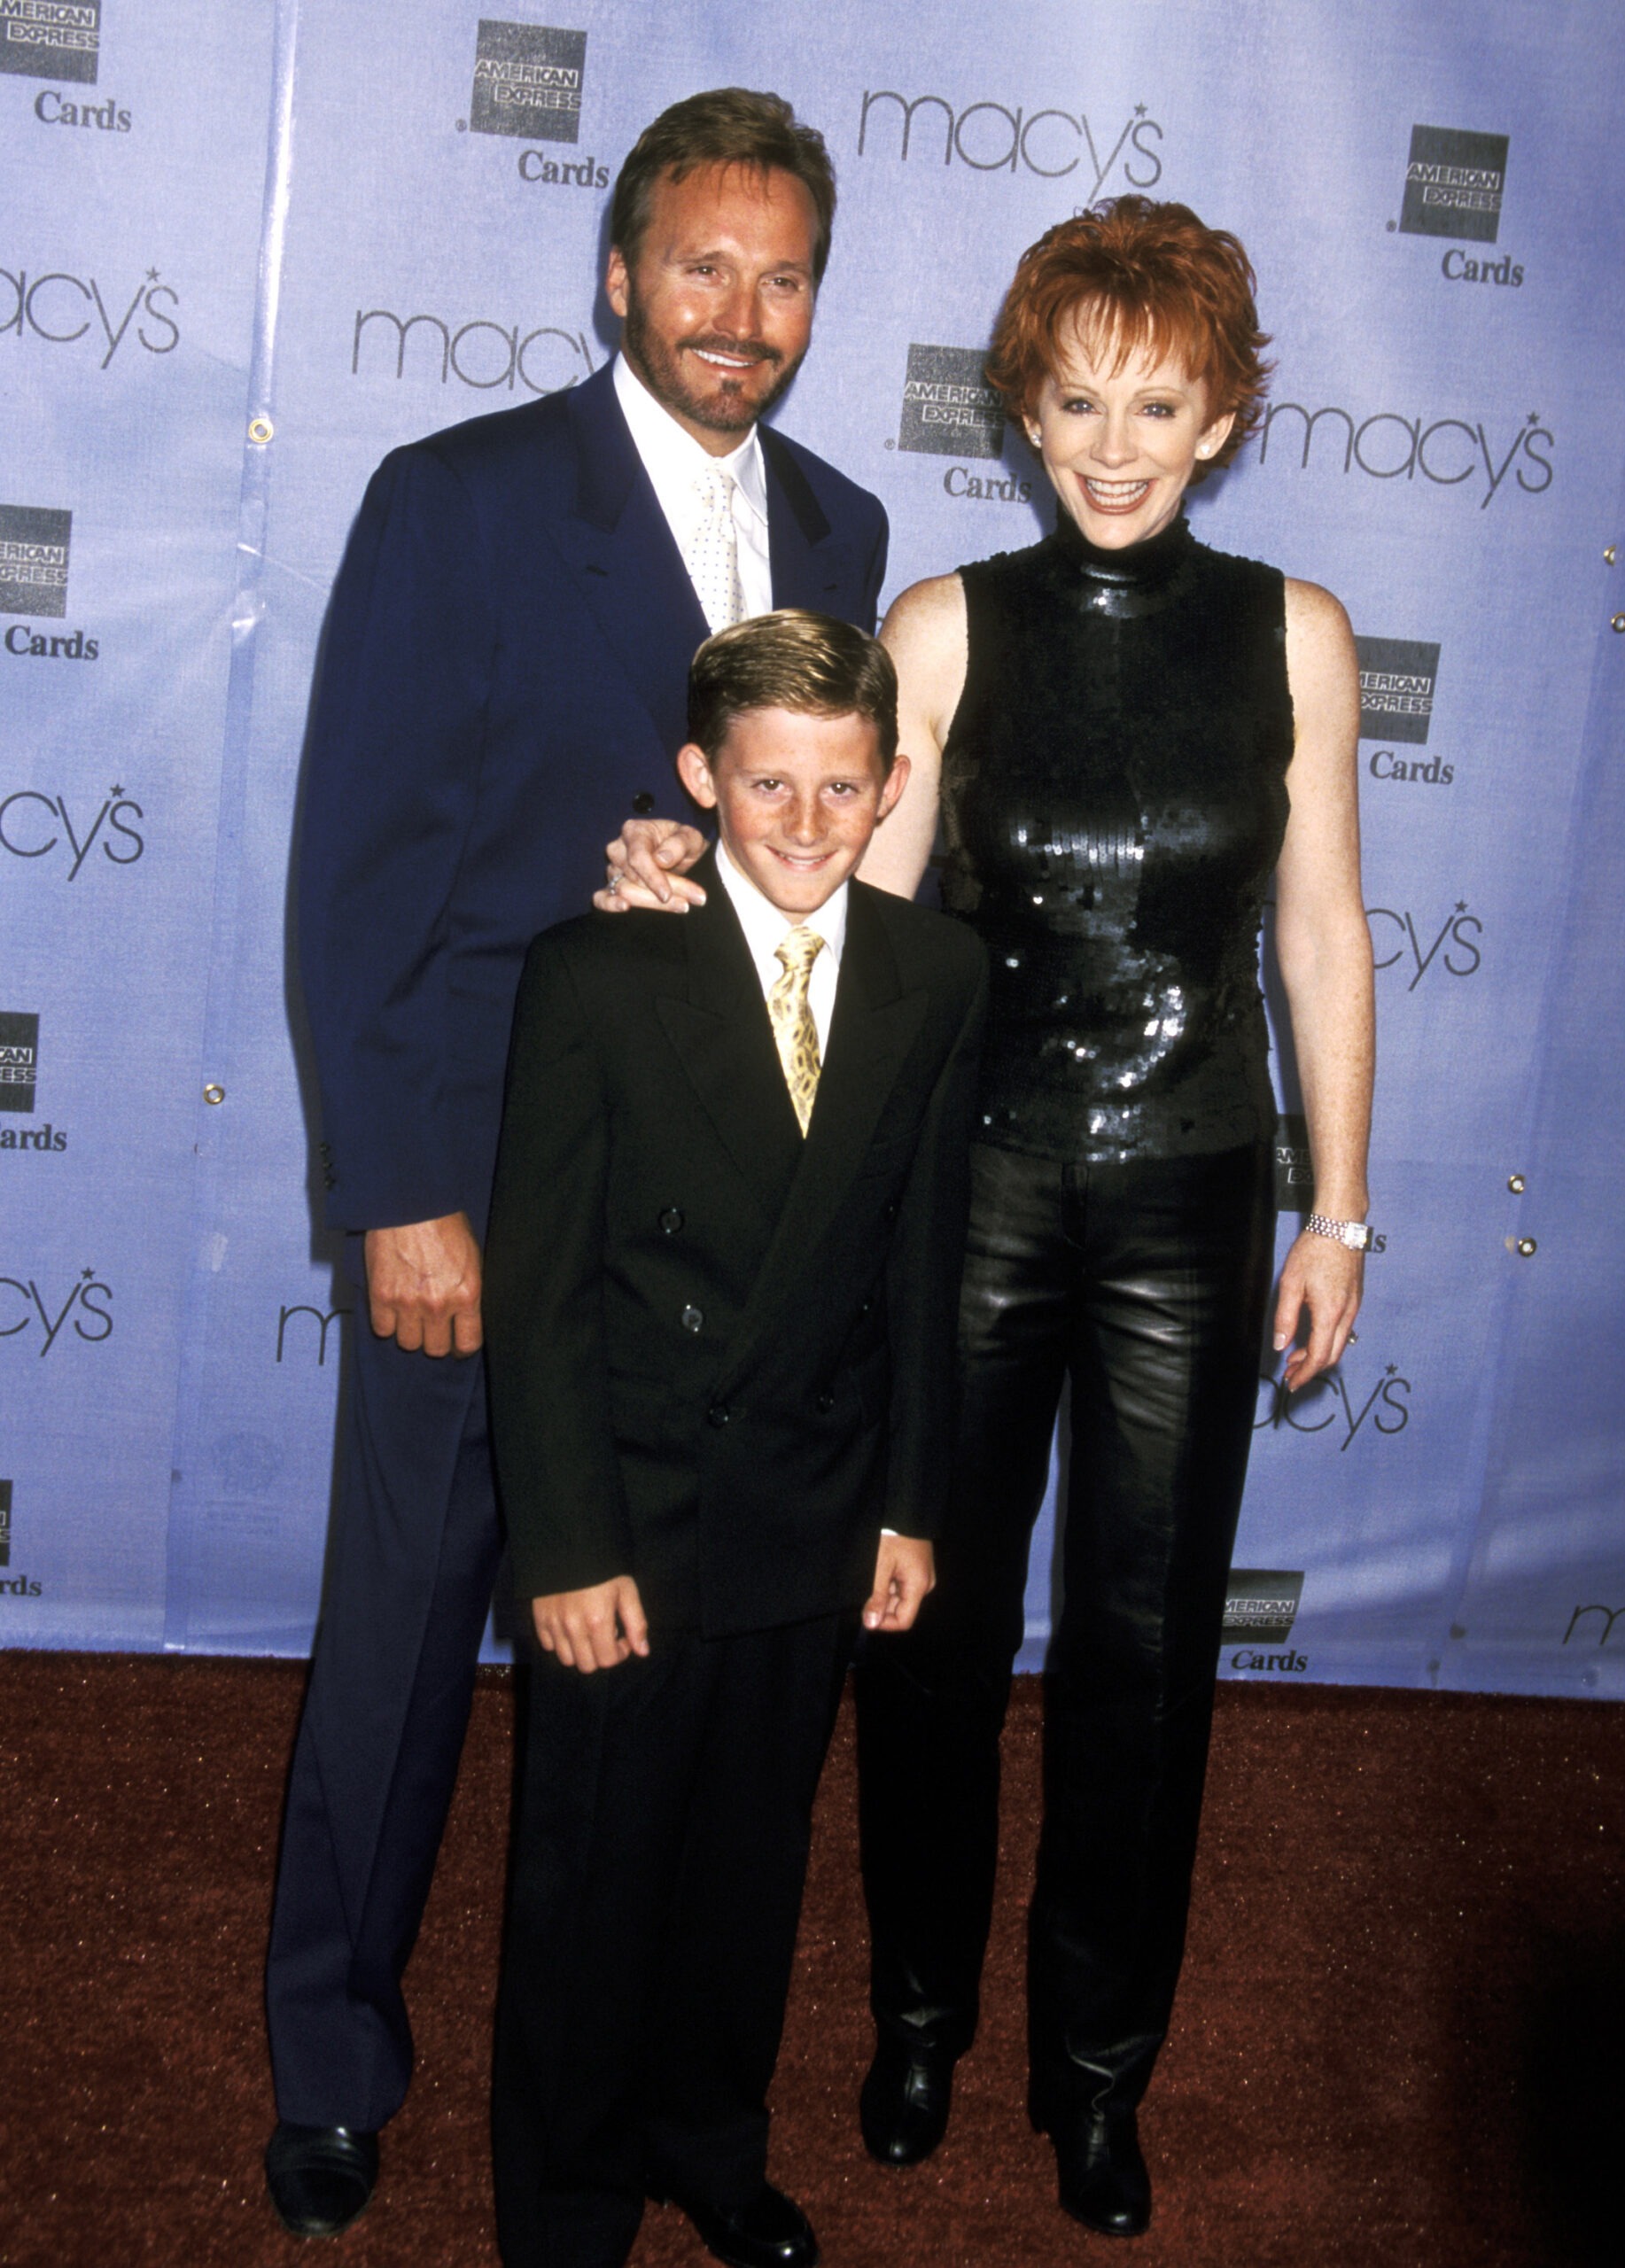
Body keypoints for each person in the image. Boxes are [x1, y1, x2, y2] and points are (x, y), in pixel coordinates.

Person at [603, 196, 1374, 2241]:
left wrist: (1342, 1214)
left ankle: (1097, 2068)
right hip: (973, 1194)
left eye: (1157, 400)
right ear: (1021, 411)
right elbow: (853, 917)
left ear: (1220, 415)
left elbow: (1320, 938)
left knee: (1145, 1654)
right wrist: (680, 890)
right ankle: (926, 2014)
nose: (1111, 442)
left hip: (1195, 1196)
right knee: (926, 1637)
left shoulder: (1295, 632)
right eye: (1072, 400)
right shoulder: (943, 622)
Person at [264, 89, 890, 2241]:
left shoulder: (840, 528)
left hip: (700, 1231)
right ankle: (332, 2050)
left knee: (650, 1699)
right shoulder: (458, 501)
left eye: (782, 273)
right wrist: (399, 1189)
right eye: (700, 265)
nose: (741, 313)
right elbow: (361, 879)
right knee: (402, 1638)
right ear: (617, 272)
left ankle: (630, 2102)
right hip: (486, 1190)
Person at [482, 610, 986, 2268]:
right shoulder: (596, 973)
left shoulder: (932, 975)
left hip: (810, 1500)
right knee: (592, 1876)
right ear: (700, 778)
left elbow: (918, 1258)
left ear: (892, 782)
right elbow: (543, 1288)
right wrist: (564, 1545)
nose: (803, 824)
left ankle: (710, 2142)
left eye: (842, 790)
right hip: (629, 1505)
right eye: (765, 785)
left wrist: (909, 1505)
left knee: (747, 1871)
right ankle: (564, 2200)